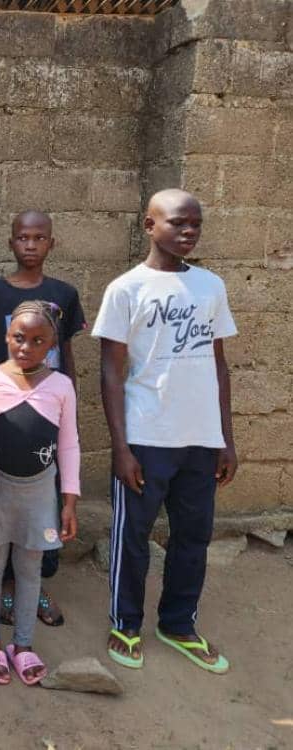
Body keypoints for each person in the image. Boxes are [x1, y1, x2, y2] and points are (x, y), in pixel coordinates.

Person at [93, 188, 236, 674]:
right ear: (150, 225)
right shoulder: (126, 289)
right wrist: (121, 447)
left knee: (193, 536)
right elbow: (110, 372)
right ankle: (125, 624)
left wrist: (225, 439)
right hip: (147, 436)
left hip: (200, 438)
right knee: (132, 536)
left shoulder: (211, 286)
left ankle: (178, 624)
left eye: (196, 223)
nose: (189, 231)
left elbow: (219, 367)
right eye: (178, 222)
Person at [0, 210, 87, 627]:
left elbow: (67, 353)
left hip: (46, 413)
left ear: (52, 243)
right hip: (3, 414)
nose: (31, 245)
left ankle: (31, 587)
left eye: (39, 238)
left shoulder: (64, 293)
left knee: (42, 509)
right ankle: (1, 586)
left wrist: (68, 401)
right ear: (11, 242)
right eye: (23, 237)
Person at [0, 301, 80, 687]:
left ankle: (22, 644)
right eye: (19, 337)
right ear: (6, 335)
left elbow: (69, 445)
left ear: (52, 344)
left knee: (29, 568)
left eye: (38, 341)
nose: (26, 347)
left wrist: (69, 501)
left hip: (39, 493)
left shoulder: (61, 386)